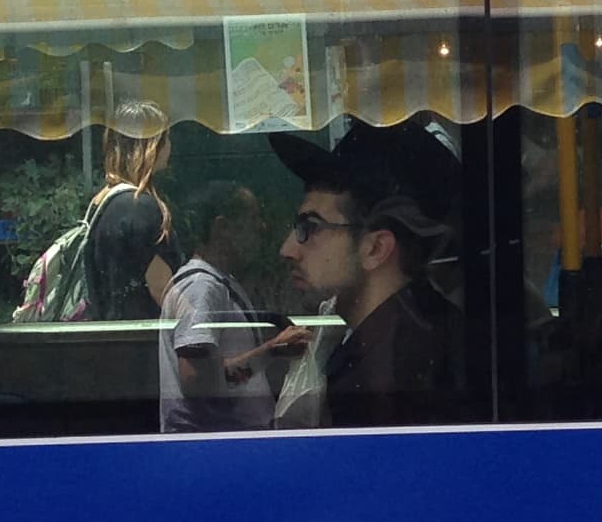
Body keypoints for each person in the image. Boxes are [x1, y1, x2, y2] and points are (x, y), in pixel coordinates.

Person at [265, 121, 463, 425]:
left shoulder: (394, 370)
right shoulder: (410, 336)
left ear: (375, 249)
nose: (287, 249)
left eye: (310, 228)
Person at [157, 184, 274, 433]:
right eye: (252, 219)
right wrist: (271, 351)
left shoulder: (218, 281)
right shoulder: (201, 286)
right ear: (222, 228)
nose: (261, 228)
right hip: (215, 447)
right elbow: (198, 383)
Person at [80, 99, 178, 323]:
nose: (170, 145)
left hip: (109, 336)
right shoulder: (140, 208)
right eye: (166, 137)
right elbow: (162, 291)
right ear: (152, 145)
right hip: (144, 340)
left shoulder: (101, 202)